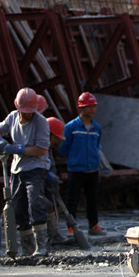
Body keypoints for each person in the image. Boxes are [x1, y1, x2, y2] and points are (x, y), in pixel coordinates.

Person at [0, 87, 50, 256]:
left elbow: (41, 150)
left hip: (36, 168)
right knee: (18, 207)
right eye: (24, 112)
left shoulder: (41, 122)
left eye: (30, 112)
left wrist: (15, 148)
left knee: (35, 203)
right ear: (18, 108)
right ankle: (27, 247)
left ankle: (41, 246)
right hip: (17, 169)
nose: (28, 115)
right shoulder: (11, 117)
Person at [58, 92, 106, 236]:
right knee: (73, 199)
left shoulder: (97, 129)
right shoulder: (71, 127)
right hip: (76, 170)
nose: (92, 110)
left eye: (94, 106)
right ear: (81, 108)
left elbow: (97, 146)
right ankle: (71, 226)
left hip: (92, 170)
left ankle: (93, 225)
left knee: (92, 200)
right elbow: (63, 148)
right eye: (89, 107)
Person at [44, 117, 66, 245]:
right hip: (39, 183)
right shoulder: (39, 148)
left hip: (47, 183)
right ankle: (47, 237)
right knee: (46, 207)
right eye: (55, 137)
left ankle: (53, 235)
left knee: (54, 205)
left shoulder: (48, 148)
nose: (57, 140)